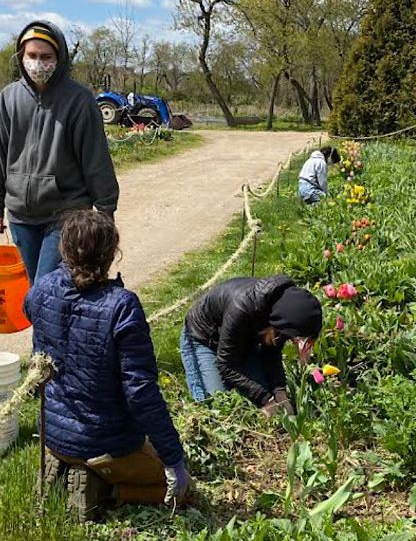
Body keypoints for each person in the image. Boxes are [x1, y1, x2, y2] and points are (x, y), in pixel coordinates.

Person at [24, 210, 190, 519]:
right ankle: (106, 488)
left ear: (63, 249)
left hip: (53, 431)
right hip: (107, 442)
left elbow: (30, 311)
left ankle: (64, 465)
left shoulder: (42, 288)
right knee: (183, 488)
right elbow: (140, 392)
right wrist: (173, 460)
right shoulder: (122, 306)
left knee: (73, 435)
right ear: (112, 252)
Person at [0, 21, 118, 284]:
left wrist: (106, 209)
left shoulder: (79, 100)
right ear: (21, 57)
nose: (38, 63)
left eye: (46, 57)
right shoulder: (8, 98)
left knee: (46, 287)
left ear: (59, 58)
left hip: (66, 215)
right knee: (36, 291)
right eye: (32, 56)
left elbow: (95, 158)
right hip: (21, 215)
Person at [180, 275, 323, 415]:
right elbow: (225, 364)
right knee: (218, 404)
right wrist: (266, 400)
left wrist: (280, 393)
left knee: (263, 393)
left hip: (241, 341)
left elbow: (272, 354)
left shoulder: (282, 312)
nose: (294, 341)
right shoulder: (241, 308)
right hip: (203, 338)